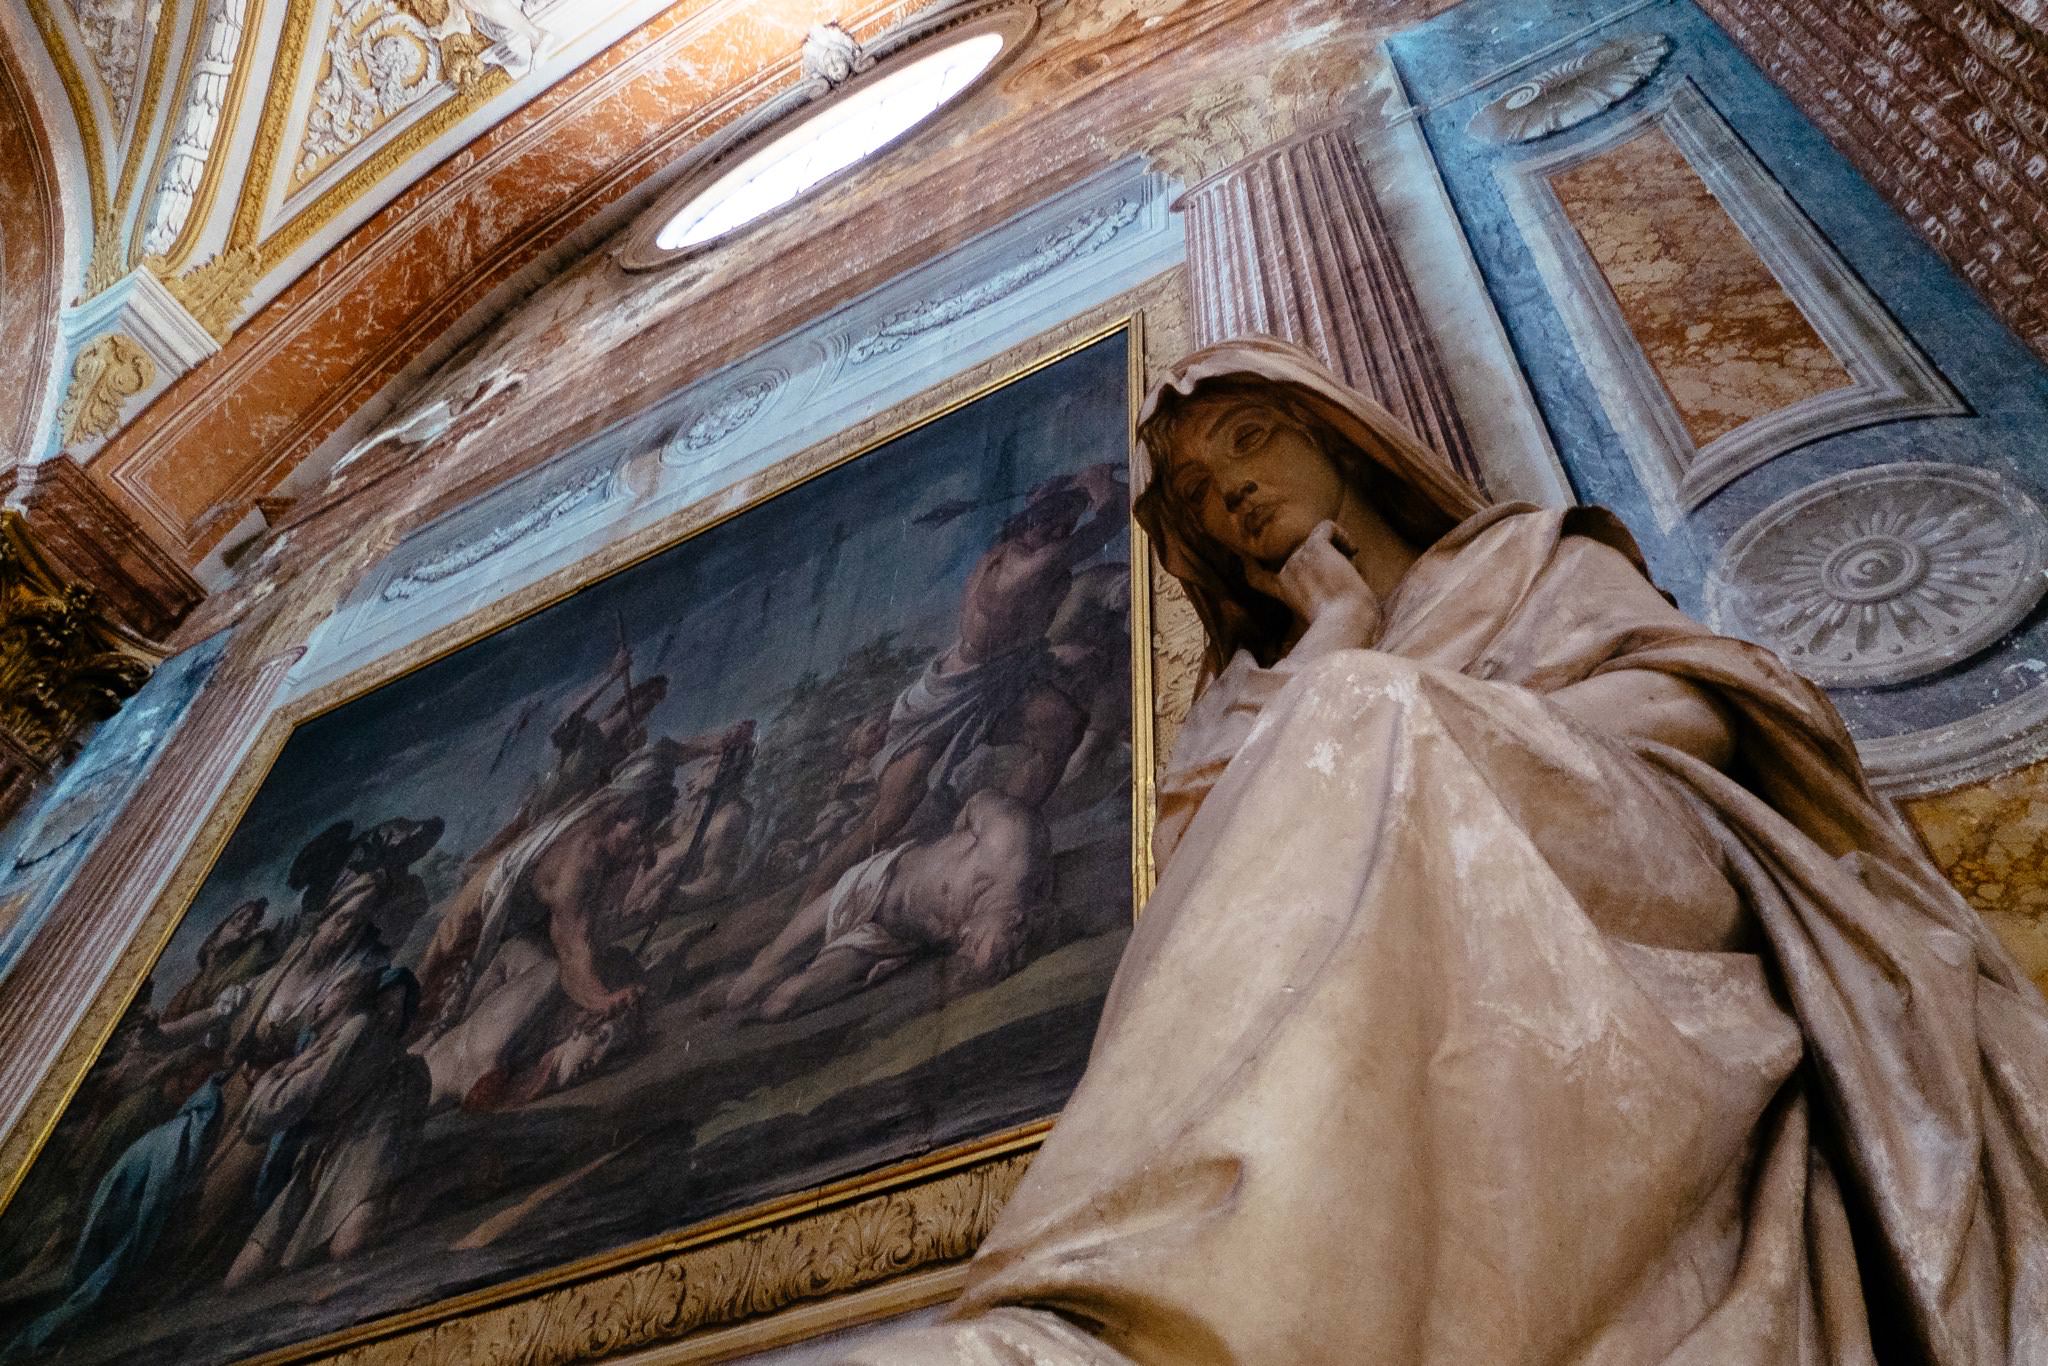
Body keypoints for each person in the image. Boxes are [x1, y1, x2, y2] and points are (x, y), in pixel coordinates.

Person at [839, 339, 2048, 1364]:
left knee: (1368, 712)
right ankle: (1145, 1291)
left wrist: (1427, 727)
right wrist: (1341, 636)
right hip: (1396, 958)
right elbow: (1210, 919)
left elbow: (1690, 710)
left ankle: (1152, 1312)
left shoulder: (1524, 562)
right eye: (1198, 491)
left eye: (1252, 440)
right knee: (1353, 715)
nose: (1231, 491)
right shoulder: (1242, 701)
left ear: (1335, 435)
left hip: (1628, 864)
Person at [799, 465, 1126, 905]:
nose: (1060, 534)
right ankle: (813, 903)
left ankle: (991, 848)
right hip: (952, 689)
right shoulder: (1027, 568)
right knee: (893, 809)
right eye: (1052, 526)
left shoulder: (1011, 549)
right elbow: (1111, 520)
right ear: (1028, 527)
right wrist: (1097, 482)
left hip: (1004, 677)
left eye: (1065, 526)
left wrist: (1060, 495)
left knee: (1059, 726)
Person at [414, 753, 677, 1110]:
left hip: (516, 933)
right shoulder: (580, 863)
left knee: (531, 958)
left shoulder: (599, 845)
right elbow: (571, 956)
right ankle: (449, 1037)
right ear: (620, 816)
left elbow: (664, 751)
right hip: (481, 915)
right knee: (436, 992)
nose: (643, 846)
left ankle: (446, 1025)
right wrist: (604, 1001)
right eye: (640, 831)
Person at [725, 789, 1052, 1021]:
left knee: (784, 1003)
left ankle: (751, 993)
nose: (964, 938)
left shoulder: (991, 930)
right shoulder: (1012, 843)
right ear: (1016, 919)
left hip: (887, 939)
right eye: (974, 942)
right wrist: (947, 845)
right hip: (871, 883)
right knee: (752, 983)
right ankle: (743, 982)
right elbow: (980, 801)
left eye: (966, 948)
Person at [224, 968, 429, 1286]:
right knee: (240, 1276)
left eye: (397, 1007)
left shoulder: (362, 1033)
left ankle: (429, 1186)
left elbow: (270, 1111)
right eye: (385, 1004)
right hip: (317, 1155)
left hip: (360, 1147)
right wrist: (284, 1071)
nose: (389, 1014)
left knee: (347, 1247)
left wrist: (277, 1077)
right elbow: (267, 1114)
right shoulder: (325, 1041)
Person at [470, 650, 668, 867]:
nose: (649, 706)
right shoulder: (588, 731)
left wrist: (632, 753)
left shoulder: (624, 749)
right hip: (550, 798)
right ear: (633, 696)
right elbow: (564, 725)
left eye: (656, 701)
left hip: (573, 813)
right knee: (508, 840)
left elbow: (619, 789)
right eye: (649, 697)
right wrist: (611, 676)